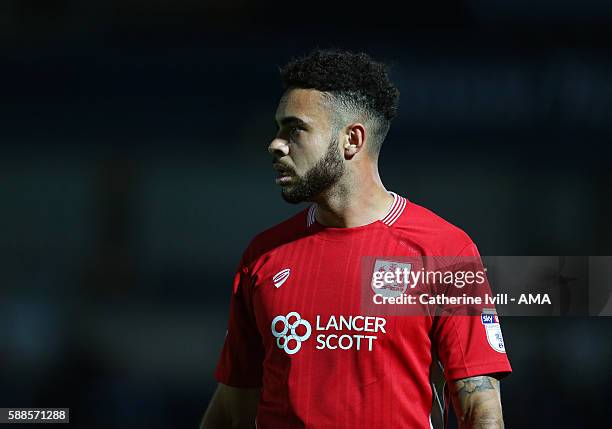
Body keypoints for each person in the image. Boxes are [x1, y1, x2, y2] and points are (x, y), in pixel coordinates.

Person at [201, 49, 511, 428]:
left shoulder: (445, 251)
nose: (275, 144)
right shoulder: (263, 256)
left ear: (351, 139)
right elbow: (232, 410)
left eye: (294, 128)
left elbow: (481, 409)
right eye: (278, 127)